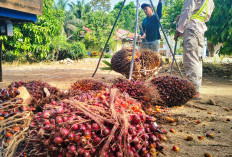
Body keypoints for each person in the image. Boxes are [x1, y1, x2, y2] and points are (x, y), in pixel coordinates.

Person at [174, 0, 215, 100]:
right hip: (200, 29)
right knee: (197, 59)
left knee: (190, 59)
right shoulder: (211, 2)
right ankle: (195, 88)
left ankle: (193, 90)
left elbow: (187, 12)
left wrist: (179, 29)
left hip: (191, 29)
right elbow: (205, 16)